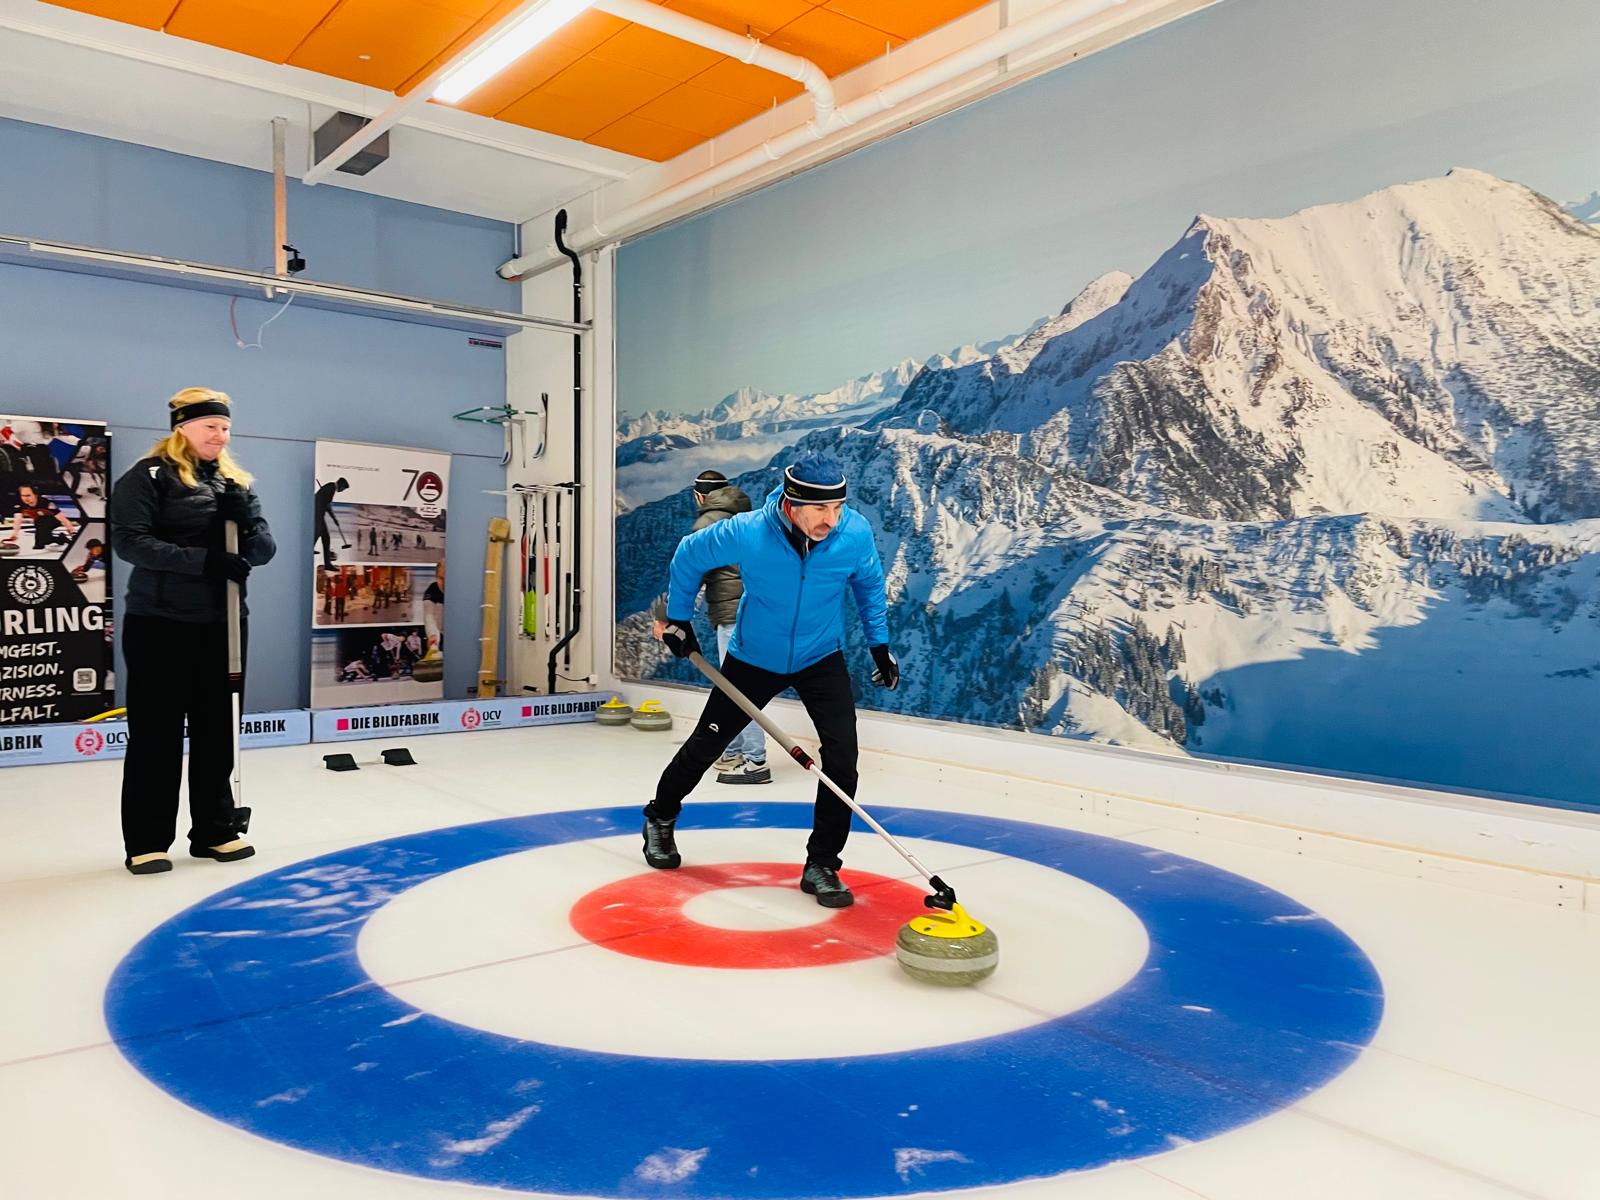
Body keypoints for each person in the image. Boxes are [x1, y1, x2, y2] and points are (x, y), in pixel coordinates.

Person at [646, 452, 900, 907]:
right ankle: (660, 817)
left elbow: (869, 583)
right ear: (791, 503)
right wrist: (680, 619)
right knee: (708, 742)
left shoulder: (853, 533)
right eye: (821, 509)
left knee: (842, 758)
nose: (832, 519)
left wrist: (879, 643)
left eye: (838, 507)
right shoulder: (749, 532)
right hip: (754, 657)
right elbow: (689, 554)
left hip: (821, 655)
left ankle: (822, 863)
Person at [110, 387, 276, 876]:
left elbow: (264, 547)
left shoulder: (236, 482)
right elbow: (130, 542)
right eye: (210, 426)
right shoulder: (147, 478)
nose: (220, 435)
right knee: (155, 734)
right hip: (160, 623)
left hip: (223, 625)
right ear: (182, 426)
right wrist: (206, 562)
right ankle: (146, 840)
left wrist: (246, 528)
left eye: (225, 427)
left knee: (218, 731)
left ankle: (215, 831)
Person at [652, 469, 769, 784]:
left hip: (732, 616)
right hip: (757, 612)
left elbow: (689, 576)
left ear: (699, 496)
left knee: (738, 690)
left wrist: (666, 617)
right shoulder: (751, 517)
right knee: (735, 687)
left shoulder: (707, 523)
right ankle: (733, 751)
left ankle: (756, 760)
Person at [5, 482, 76, 551]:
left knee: (41, 524)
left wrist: (70, 528)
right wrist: (15, 534)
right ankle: (61, 539)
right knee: (42, 541)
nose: (25, 499)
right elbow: (18, 519)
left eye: (28, 495)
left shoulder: (45, 502)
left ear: (35, 495)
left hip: (53, 520)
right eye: (23, 496)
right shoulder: (19, 503)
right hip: (39, 522)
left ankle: (56, 539)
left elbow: (60, 517)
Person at [313, 476, 350, 570]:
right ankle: (327, 564)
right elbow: (327, 506)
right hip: (317, 515)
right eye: (343, 489)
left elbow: (325, 504)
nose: (342, 491)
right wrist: (334, 519)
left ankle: (326, 563)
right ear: (341, 485)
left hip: (317, 514)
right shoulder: (331, 488)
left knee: (320, 535)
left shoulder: (330, 487)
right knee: (325, 537)